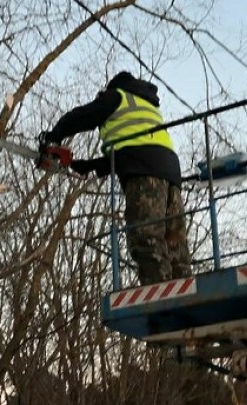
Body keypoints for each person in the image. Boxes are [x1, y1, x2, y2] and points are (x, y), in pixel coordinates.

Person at [40, 71, 192, 285]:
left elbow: (83, 116)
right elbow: (126, 153)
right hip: (171, 173)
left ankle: (161, 296)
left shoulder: (118, 96)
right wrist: (87, 166)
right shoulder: (148, 106)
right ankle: (185, 291)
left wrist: (53, 136)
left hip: (144, 172)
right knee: (175, 243)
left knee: (146, 236)